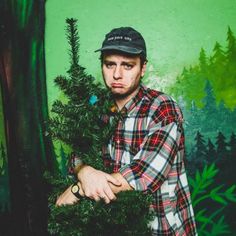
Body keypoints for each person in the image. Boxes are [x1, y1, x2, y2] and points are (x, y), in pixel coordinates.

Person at [56, 26, 197, 235]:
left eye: (128, 66)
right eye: (109, 64)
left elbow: (142, 176)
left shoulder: (163, 108)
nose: (117, 74)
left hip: (159, 228)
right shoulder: (96, 107)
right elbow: (78, 154)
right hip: (111, 227)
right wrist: (84, 172)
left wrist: (78, 190)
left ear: (143, 68)